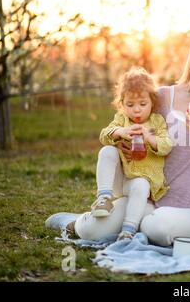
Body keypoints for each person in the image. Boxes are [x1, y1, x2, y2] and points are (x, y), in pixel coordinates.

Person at [46, 30, 190, 246]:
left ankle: (134, 226)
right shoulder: (161, 98)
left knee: (157, 226)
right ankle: (75, 223)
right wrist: (124, 142)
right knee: (93, 230)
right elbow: (124, 125)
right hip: (151, 200)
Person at [73, 67, 172, 241]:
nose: (136, 110)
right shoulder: (121, 119)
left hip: (142, 184)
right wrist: (120, 132)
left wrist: (150, 138)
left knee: (141, 184)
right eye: (130, 105)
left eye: (143, 104)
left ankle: (128, 230)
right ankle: (104, 198)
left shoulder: (157, 122)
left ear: (152, 102)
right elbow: (104, 135)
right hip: (121, 181)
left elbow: (166, 146)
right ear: (122, 104)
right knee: (108, 150)